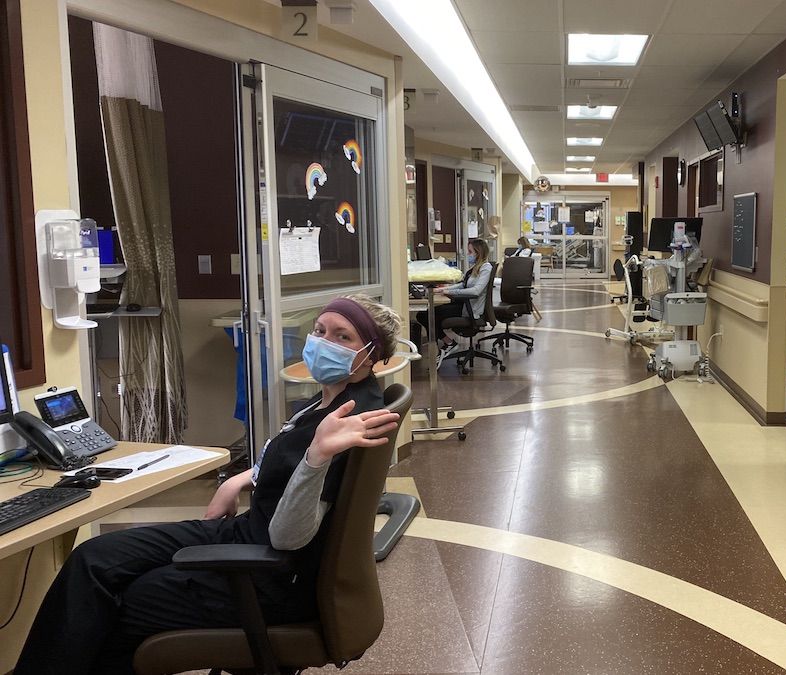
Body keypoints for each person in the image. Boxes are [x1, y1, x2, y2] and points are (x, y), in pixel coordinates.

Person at [15, 295, 405, 675]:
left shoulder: (350, 426)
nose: (323, 342)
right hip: (245, 533)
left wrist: (316, 456)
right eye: (320, 330)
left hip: (274, 574)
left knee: (128, 600)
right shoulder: (329, 403)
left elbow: (289, 536)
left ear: (369, 354)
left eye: (343, 337)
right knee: (94, 558)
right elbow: (284, 459)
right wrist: (239, 478)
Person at [419, 238, 493, 368]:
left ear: (478, 252)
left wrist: (452, 293)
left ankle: (449, 343)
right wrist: (443, 289)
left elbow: (476, 291)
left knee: (427, 316)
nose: (468, 255)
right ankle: (448, 343)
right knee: (425, 314)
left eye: (470, 252)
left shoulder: (486, 268)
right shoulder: (475, 268)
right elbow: (463, 284)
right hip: (464, 304)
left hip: (470, 309)